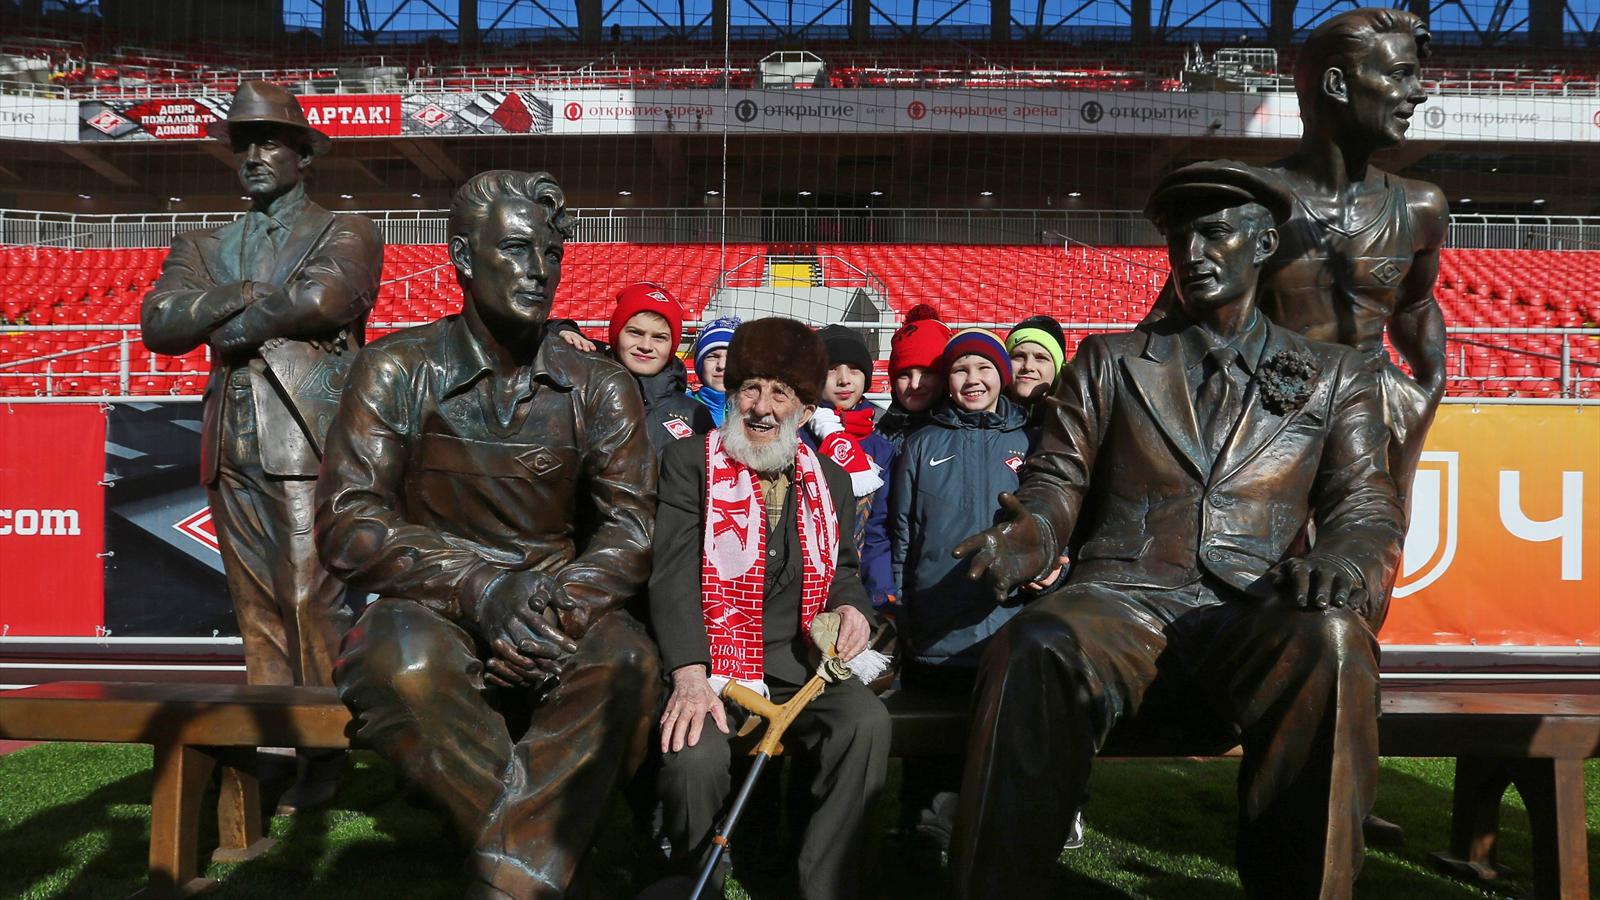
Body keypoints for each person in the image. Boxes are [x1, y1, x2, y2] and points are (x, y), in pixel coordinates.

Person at [949, 167, 1404, 900]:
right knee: (1036, 645)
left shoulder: (1333, 373)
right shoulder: (1108, 361)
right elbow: (1054, 487)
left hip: (1254, 607)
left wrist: (1344, 558)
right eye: (1180, 236)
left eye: (1215, 232)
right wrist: (1026, 538)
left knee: (1335, 642)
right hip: (1121, 602)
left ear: (1262, 244)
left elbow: (1367, 510)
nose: (1193, 250)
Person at [316, 170, 660, 898]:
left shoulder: (600, 385)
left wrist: (546, 617)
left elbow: (630, 529)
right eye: (515, 250)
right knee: (399, 664)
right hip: (432, 605)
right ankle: (539, 866)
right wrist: (482, 590)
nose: (539, 271)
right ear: (463, 258)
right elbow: (349, 523)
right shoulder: (394, 368)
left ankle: (505, 880)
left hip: (558, 607)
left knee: (627, 662)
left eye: (551, 254)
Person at [140, 80, 383, 812]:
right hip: (232, 445)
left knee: (312, 598)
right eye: (242, 144)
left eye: (269, 141)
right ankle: (278, 744)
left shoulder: (346, 229)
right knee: (256, 609)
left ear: (303, 156)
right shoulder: (204, 244)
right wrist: (241, 295)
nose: (252, 156)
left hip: (308, 440)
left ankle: (327, 744)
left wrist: (233, 317)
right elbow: (159, 323)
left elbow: (325, 301)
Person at [1144, 8, 1447, 537]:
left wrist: (1430, 381)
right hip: (1266, 413)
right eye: (1400, 75)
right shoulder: (1252, 205)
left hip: (1376, 416)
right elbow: (1171, 318)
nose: (1418, 93)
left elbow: (1416, 305)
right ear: (1336, 84)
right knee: (1264, 592)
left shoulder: (1420, 206)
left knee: (1360, 582)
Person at [649, 316, 891, 900]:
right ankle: (694, 880)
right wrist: (688, 675)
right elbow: (673, 574)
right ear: (731, 396)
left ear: (805, 412)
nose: (761, 407)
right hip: (711, 668)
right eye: (749, 389)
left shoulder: (831, 478)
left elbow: (845, 572)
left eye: (780, 393)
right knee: (692, 758)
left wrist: (853, 609)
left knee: (865, 723)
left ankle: (823, 885)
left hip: (801, 666)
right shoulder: (690, 463)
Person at [888, 327, 1038, 861]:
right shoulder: (923, 443)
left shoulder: (1030, 443)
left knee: (1001, 737)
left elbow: (1050, 532)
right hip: (936, 620)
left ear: (1002, 375)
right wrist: (904, 608)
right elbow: (902, 533)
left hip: (1007, 620)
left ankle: (998, 838)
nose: (972, 379)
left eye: (983, 368)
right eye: (959, 370)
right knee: (932, 746)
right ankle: (923, 835)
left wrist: (1050, 575)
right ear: (946, 380)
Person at [807, 324, 896, 609]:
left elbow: (878, 531)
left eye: (854, 369)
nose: (844, 380)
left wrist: (882, 596)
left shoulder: (882, 449)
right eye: (832, 369)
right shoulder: (796, 439)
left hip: (855, 586)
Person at [608, 282, 714, 452]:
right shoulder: (586, 395)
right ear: (616, 335)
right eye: (635, 332)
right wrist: (562, 328)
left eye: (659, 337)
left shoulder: (696, 414)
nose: (646, 345)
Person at [875, 304, 951, 450]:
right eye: (904, 375)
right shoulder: (878, 437)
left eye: (926, 373)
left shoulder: (962, 435)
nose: (915, 384)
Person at [1005, 314, 1066, 420]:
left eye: (1041, 358)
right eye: (1019, 356)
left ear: (1059, 369)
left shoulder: (1071, 423)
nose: (1028, 367)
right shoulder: (981, 416)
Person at [689, 315, 740, 427]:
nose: (721, 365)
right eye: (713, 356)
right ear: (700, 365)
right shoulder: (680, 407)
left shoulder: (756, 409)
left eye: (730, 357)